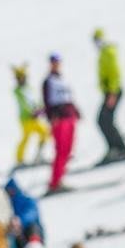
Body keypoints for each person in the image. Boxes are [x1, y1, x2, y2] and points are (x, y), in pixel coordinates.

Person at [41, 53, 81, 192]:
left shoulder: (63, 79)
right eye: (53, 62)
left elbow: (68, 96)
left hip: (69, 115)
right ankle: (54, 182)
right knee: (61, 150)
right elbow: (47, 101)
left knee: (68, 149)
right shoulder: (48, 81)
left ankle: (60, 178)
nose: (56, 64)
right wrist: (51, 117)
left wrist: (76, 111)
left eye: (57, 62)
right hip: (59, 117)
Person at [92, 28, 125, 163]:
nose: (97, 43)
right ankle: (114, 147)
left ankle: (120, 148)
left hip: (113, 91)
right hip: (109, 91)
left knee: (104, 120)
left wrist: (113, 92)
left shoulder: (108, 52)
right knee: (104, 120)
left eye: (98, 39)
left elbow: (115, 72)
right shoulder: (103, 53)